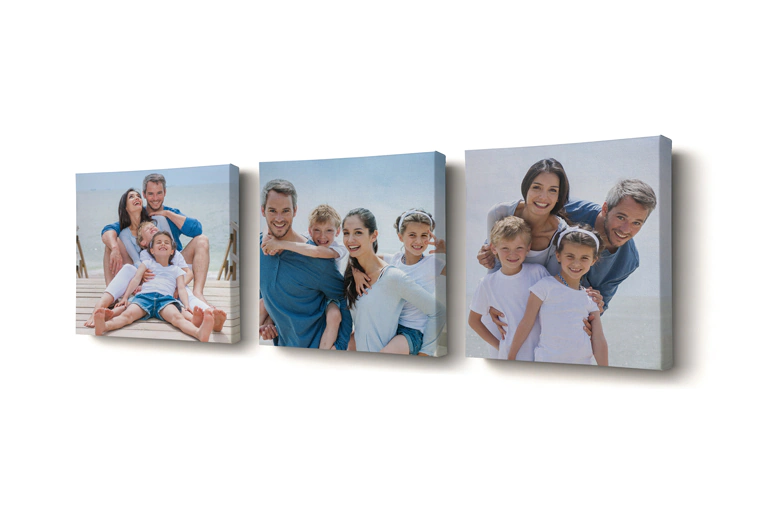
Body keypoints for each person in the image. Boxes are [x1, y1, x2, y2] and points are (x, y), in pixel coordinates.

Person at [258, 180, 352, 349]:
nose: (279, 218)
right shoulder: (259, 247)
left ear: (295, 211)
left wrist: (339, 346)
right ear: (263, 210)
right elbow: (264, 287)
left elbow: (344, 301)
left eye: (285, 211)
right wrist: (268, 321)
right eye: (272, 210)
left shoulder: (318, 260)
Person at [342, 208, 444, 356]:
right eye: (412, 235)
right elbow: (364, 255)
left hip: (414, 330)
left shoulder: (433, 263)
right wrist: (356, 271)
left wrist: (447, 250)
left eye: (424, 236)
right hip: (395, 326)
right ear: (400, 237)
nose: (419, 241)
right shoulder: (394, 259)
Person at [101, 173, 211, 306]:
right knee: (111, 242)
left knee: (202, 240)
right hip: (147, 267)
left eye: (159, 193)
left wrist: (168, 214)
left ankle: (198, 293)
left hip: (174, 260)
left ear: (165, 192)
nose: (155, 198)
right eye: (150, 194)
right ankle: (110, 295)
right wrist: (114, 248)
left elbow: (197, 229)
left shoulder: (170, 214)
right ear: (145, 194)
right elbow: (107, 230)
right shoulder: (136, 213)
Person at [507, 225, 609, 366]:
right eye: (570, 256)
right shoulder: (545, 287)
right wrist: (511, 357)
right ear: (558, 255)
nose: (576, 263)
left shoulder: (590, 298)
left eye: (584, 258)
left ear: (593, 260)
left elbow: (598, 338)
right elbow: (526, 323)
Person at [94, 231, 214, 343]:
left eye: (167, 242)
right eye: (158, 242)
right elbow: (135, 280)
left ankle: (198, 333)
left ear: (172, 251)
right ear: (152, 250)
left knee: (177, 318)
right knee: (127, 316)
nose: (163, 244)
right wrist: (125, 297)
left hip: (165, 300)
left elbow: (181, 289)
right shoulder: (146, 264)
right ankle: (105, 326)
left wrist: (186, 305)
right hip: (144, 298)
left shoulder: (177, 270)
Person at [562, 179, 657, 312]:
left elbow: (600, 306)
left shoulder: (628, 262)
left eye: (636, 223)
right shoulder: (572, 210)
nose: (625, 229)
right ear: (605, 209)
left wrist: (597, 305)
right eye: (621, 217)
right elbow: (529, 208)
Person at [468, 216, 549, 360]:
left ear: (528, 247)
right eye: (505, 248)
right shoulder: (487, 283)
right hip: (510, 356)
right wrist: (500, 346)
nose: (512, 254)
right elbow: (473, 321)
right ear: (493, 248)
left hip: (542, 353)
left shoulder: (538, 272)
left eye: (519, 248)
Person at [476, 158, 570, 276]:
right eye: (537, 187)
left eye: (552, 190)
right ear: (526, 188)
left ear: (558, 197)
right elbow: (494, 268)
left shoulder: (562, 235)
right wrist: (486, 256)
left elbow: (552, 281)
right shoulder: (498, 213)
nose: (543, 197)